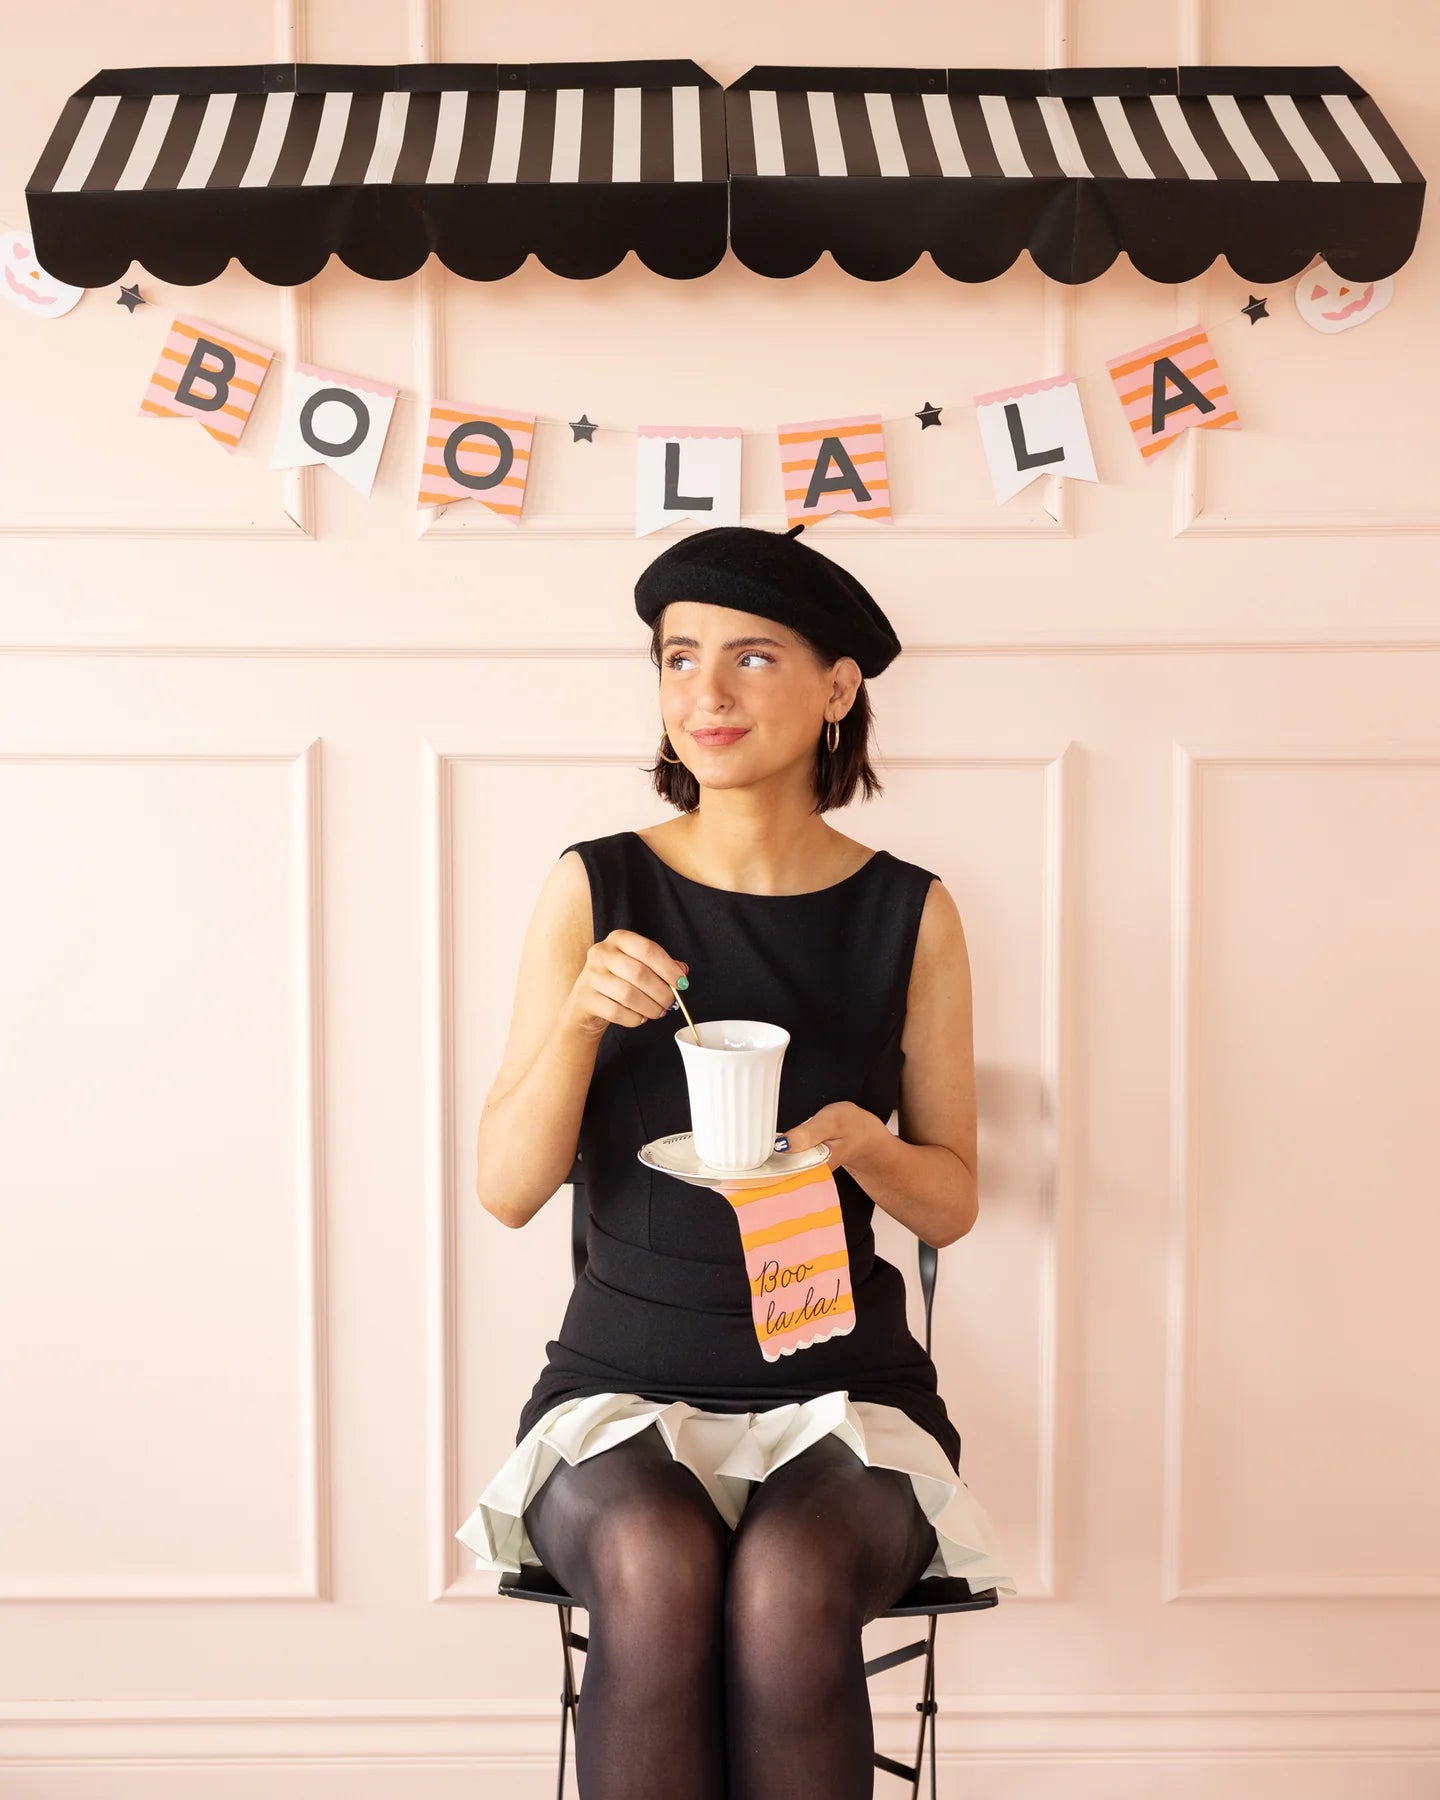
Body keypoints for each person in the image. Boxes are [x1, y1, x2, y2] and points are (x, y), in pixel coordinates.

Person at [457, 523, 1014, 1798]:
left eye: (752, 658)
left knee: (787, 1579)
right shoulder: (594, 887)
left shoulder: (910, 911)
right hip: (617, 1395)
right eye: (678, 657)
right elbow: (506, 1189)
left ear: (837, 686)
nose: (705, 693)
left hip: (846, 1399)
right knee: (657, 1565)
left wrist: (869, 1145)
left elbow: (956, 1200)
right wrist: (583, 1018)